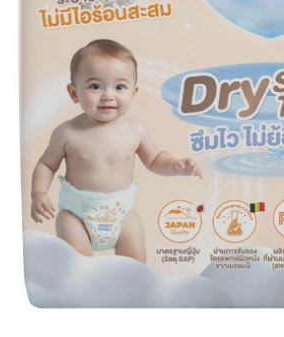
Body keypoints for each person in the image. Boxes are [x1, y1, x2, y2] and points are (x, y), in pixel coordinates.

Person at [30, 39, 202, 261]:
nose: (108, 95)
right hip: (76, 215)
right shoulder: (67, 132)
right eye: (95, 86)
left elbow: (155, 159)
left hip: (122, 214)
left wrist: (176, 166)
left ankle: (133, 281)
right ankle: (82, 280)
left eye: (119, 87)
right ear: (74, 93)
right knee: (79, 264)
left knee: (136, 263)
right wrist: (39, 193)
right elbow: (46, 164)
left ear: (133, 92)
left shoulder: (135, 130)